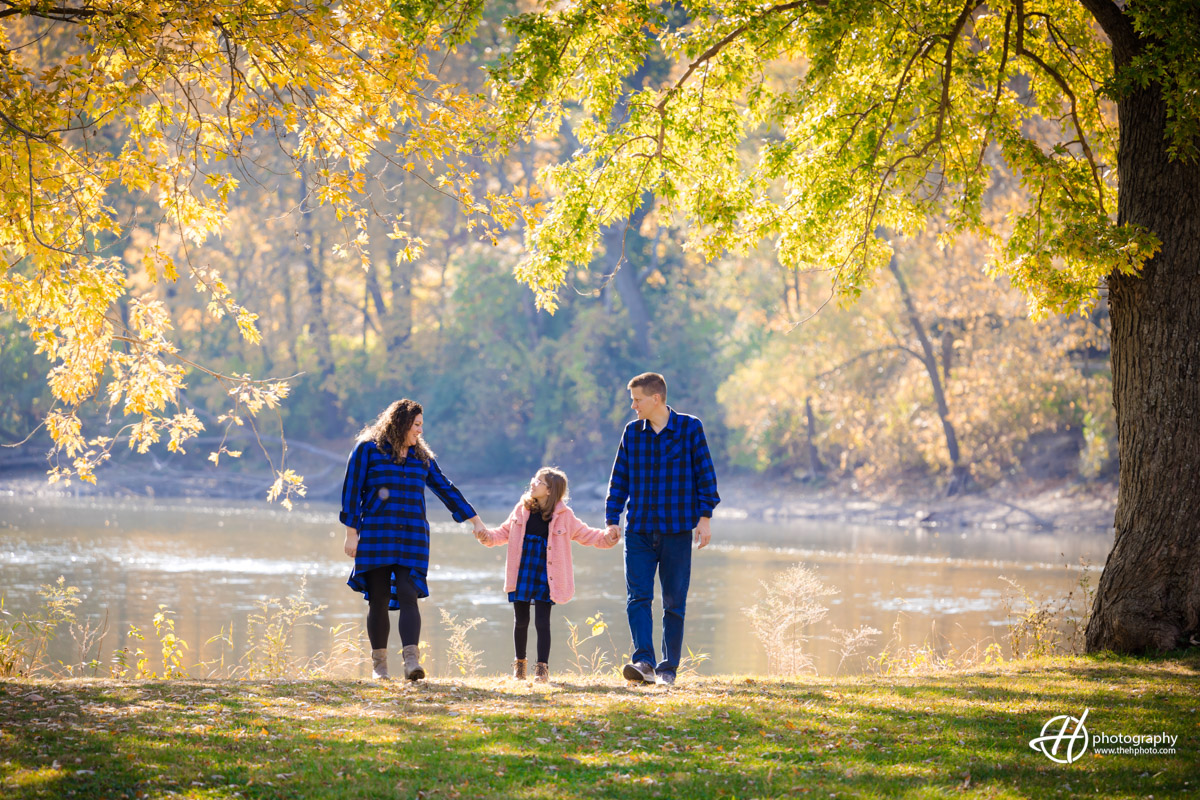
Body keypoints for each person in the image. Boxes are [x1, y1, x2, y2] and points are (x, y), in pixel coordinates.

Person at [340, 399, 487, 681]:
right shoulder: (367, 449)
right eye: (416, 424)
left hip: (412, 536)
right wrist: (351, 533)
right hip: (375, 533)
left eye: (421, 425)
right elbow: (351, 491)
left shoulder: (421, 456)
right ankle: (380, 667)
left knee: (409, 594)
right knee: (379, 598)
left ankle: (411, 663)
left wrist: (475, 520)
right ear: (401, 422)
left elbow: (446, 488)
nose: (420, 431)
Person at [605, 372, 719, 687]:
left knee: (673, 602)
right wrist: (612, 518)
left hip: (677, 530)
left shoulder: (690, 428)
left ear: (656, 399)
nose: (633, 406)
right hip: (639, 529)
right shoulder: (632, 433)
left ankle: (668, 670)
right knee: (637, 597)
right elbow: (620, 479)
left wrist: (705, 517)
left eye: (637, 400)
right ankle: (644, 662)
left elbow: (705, 476)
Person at [475, 467, 617, 683]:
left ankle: (542, 669)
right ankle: (519, 667)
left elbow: (589, 535)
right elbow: (502, 533)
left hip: (548, 574)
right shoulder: (520, 510)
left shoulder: (564, 516)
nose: (532, 483)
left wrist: (608, 537)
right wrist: (486, 536)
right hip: (522, 571)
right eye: (534, 479)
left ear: (550, 491)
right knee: (520, 620)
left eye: (538, 481)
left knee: (543, 622)